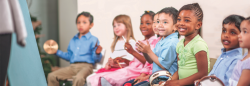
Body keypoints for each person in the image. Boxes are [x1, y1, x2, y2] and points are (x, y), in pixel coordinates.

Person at [47, 11, 103, 86]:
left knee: (78, 78)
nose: (80, 25)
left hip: (86, 67)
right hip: (72, 67)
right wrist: (56, 52)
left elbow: (96, 59)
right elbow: (69, 56)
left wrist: (97, 53)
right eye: (78, 22)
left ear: (91, 25)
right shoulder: (73, 40)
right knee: (51, 76)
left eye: (84, 22)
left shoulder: (93, 39)